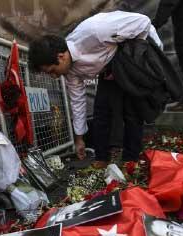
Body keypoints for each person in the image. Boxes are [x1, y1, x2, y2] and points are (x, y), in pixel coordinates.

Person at [29, 11, 163, 169]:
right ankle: (102, 157)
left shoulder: (96, 31)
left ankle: (131, 158)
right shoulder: (69, 71)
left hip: (132, 61)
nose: (53, 77)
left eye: (52, 71)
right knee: (101, 112)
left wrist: (134, 56)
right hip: (108, 70)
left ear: (61, 57)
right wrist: (79, 139)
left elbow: (143, 22)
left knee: (131, 112)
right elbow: (77, 102)